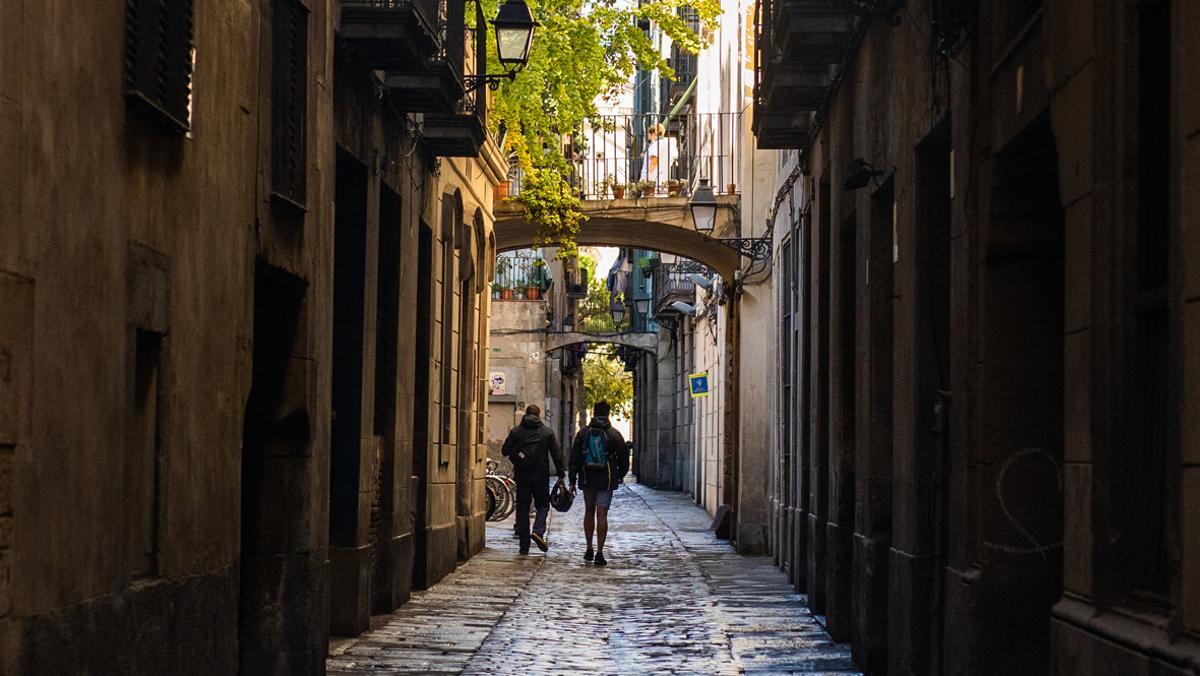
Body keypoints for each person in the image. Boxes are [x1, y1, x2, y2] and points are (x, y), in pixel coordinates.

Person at [569, 401, 629, 566]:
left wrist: (572, 480)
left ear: (594, 413)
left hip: (587, 478)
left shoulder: (583, 433)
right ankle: (600, 553)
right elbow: (624, 459)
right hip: (606, 479)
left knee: (589, 511)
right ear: (608, 414)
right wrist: (619, 475)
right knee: (602, 515)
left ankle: (588, 548)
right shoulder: (614, 434)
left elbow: (574, 458)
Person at [501, 404, 565, 555]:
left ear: (526, 414)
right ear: (539, 415)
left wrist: (518, 454)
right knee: (543, 505)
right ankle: (538, 530)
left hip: (522, 476)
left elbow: (504, 451)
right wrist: (561, 474)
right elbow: (556, 454)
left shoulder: (516, 432)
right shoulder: (547, 432)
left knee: (522, 508)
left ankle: (524, 546)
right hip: (541, 476)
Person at [639, 123, 668, 190]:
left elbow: (654, 159)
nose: (648, 135)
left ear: (654, 133)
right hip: (655, 176)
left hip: (651, 176)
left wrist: (648, 175)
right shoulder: (661, 143)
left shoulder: (656, 144)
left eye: (649, 133)